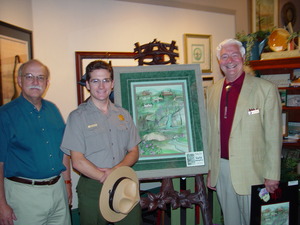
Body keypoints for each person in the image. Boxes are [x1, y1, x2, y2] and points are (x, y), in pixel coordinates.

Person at [206, 39, 282, 225]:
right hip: (222, 170)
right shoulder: (213, 91)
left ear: (243, 57)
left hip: (253, 170)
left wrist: (272, 174)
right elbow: (210, 133)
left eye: (234, 55)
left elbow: (273, 135)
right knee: (231, 220)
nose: (229, 60)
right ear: (219, 61)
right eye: (224, 56)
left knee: (255, 220)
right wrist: (210, 169)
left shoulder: (265, 89)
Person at [60, 60, 142, 225]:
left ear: (112, 84)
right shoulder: (77, 117)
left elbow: (134, 151)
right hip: (92, 186)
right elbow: (77, 161)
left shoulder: (123, 114)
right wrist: (107, 177)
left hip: (123, 182)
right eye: (95, 81)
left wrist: (115, 171)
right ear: (88, 85)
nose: (101, 86)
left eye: (105, 80)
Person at [0, 59, 72, 225]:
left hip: (57, 190)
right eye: (29, 76)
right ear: (19, 80)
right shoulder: (5, 115)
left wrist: (67, 184)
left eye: (40, 77)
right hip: (24, 195)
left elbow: (64, 151)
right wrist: (1, 204)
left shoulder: (53, 109)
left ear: (47, 83)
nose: (35, 82)